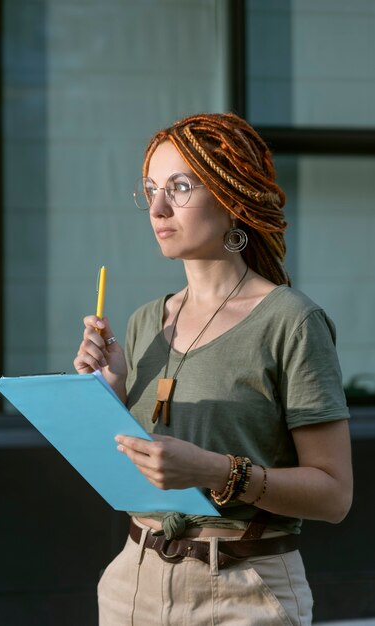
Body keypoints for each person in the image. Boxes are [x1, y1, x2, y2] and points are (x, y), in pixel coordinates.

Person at [74, 112, 353, 625]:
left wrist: (215, 470)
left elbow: (334, 495)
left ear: (232, 199)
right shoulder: (142, 323)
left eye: (179, 187)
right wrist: (108, 394)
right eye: (150, 189)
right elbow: (133, 472)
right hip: (131, 584)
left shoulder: (291, 321)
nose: (157, 207)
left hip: (244, 590)